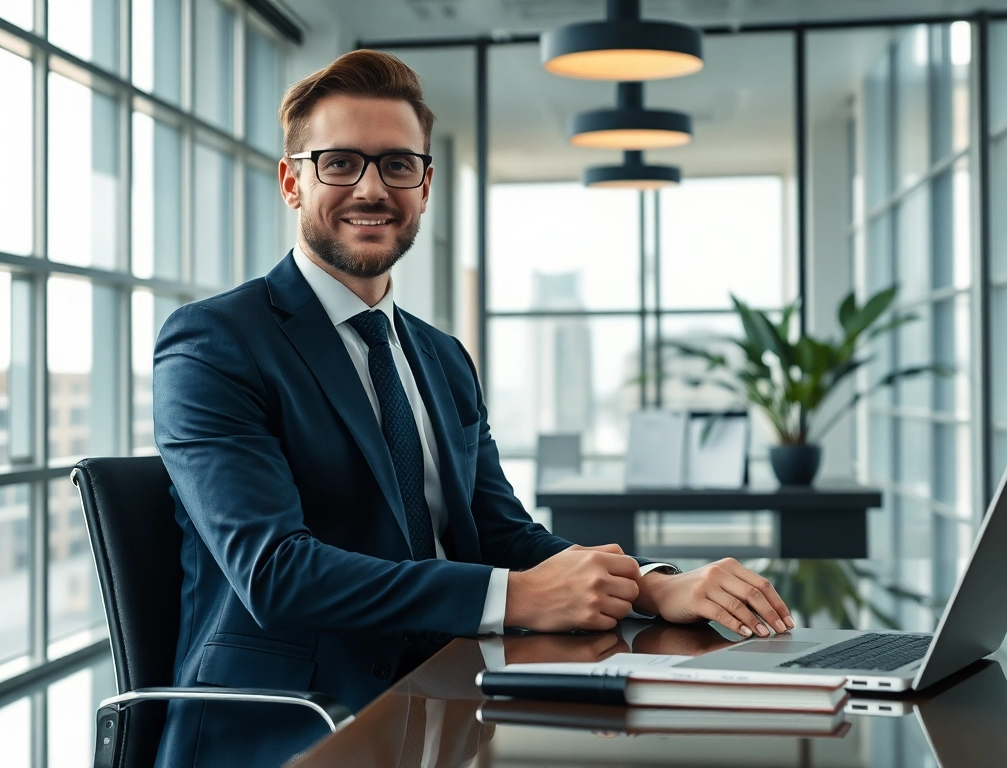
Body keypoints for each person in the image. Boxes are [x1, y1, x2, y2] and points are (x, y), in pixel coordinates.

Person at [152, 49, 794, 765]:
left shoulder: (441, 358)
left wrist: (654, 587)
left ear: (425, 186)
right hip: (291, 728)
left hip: (443, 704)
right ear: (291, 181)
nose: (371, 188)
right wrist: (514, 600)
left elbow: (503, 536)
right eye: (340, 163)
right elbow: (276, 573)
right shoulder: (216, 342)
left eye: (397, 165)